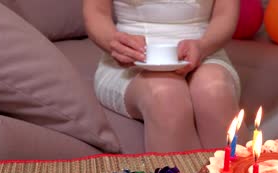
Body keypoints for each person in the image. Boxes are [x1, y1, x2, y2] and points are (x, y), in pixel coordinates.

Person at [83, 0, 247, 152]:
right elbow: (96, 12)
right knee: (166, 94)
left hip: (206, 50)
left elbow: (224, 14)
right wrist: (116, 43)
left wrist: (203, 46)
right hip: (129, 61)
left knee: (213, 90)